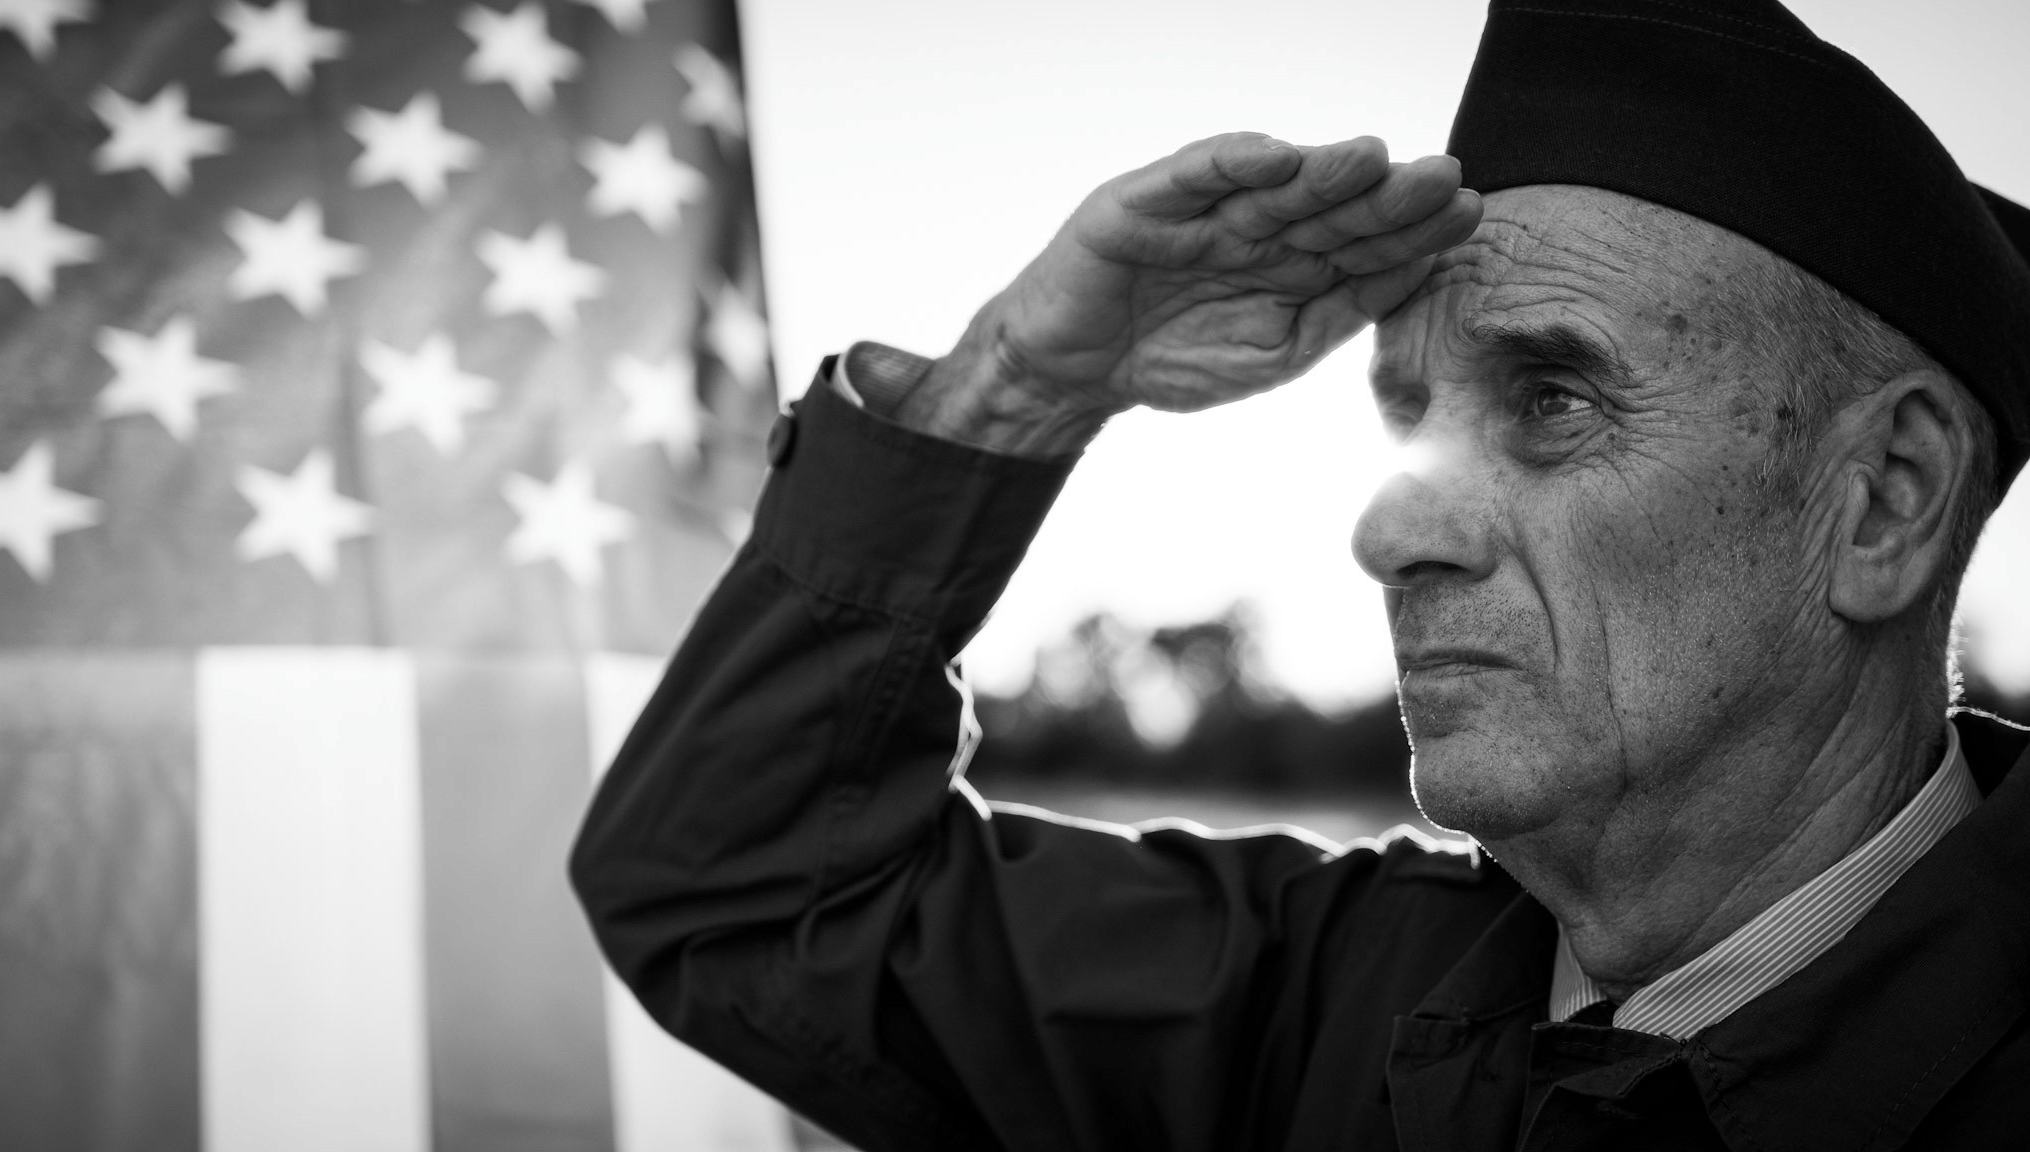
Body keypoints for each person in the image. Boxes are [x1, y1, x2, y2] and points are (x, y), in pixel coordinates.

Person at [571, 1, 2030, 1148]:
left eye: (1551, 402)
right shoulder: (1321, 993)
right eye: (1411, 420)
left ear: (1884, 501)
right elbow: (741, 894)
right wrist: (1013, 392)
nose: (1393, 533)